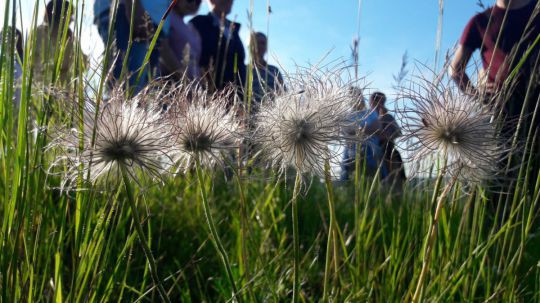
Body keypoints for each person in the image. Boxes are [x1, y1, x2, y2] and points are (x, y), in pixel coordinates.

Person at [449, 0, 540, 197]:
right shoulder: (480, 21)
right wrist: (478, 95)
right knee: (500, 186)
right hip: (500, 114)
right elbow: (455, 70)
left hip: (536, 109)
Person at [190, 0, 246, 93]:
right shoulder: (199, 23)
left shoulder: (234, 30)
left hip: (237, 95)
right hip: (208, 93)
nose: (228, 1)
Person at [31, 0, 86, 84]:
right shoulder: (39, 33)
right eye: (69, 16)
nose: (72, 20)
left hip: (66, 92)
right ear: (58, 15)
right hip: (42, 89)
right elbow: (33, 64)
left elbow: (83, 64)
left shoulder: (69, 36)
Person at [341, 88, 387, 181]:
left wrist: (355, 131)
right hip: (350, 152)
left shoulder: (370, 112)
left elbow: (377, 128)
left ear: (362, 97)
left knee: (376, 178)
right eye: (352, 97)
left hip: (370, 150)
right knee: (346, 180)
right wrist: (365, 129)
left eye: (358, 96)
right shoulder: (347, 115)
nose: (357, 99)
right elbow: (345, 132)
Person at [369, 92, 406, 185]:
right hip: (368, 151)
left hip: (387, 149)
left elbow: (398, 133)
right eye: (378, 101)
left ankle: (398, 181)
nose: (380, 104)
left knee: (395, 159)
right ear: (371, 102)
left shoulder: (388, 117)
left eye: (382, 102)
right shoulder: (367, 116)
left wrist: (386, 136)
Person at [168, 0, 203, 80]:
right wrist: (182, 76)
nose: (194, 3)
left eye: (198, 2)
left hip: (192, 85)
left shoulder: (192, 28)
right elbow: (163, 49)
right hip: (173, 82)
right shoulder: (167, 18)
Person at [249, 32, 284, 105]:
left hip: (273, 114)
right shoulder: (242, 70)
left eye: (263, 43)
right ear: (250, 45)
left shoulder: (274, 70)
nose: (260, 46)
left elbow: (284, 94)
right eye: (257, 43)